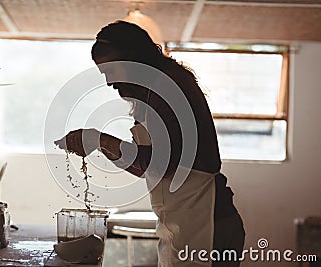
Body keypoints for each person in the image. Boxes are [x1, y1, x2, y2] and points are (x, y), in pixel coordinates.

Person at [55, 21, 245, 267]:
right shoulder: (151, 91)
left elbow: (160, 165)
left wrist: (98, 140)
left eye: (112, 70)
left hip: (210, 225)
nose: (109, 83)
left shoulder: (169, 87)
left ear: (134, 58)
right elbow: (148, 167)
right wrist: (100, 144)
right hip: (181, 225)